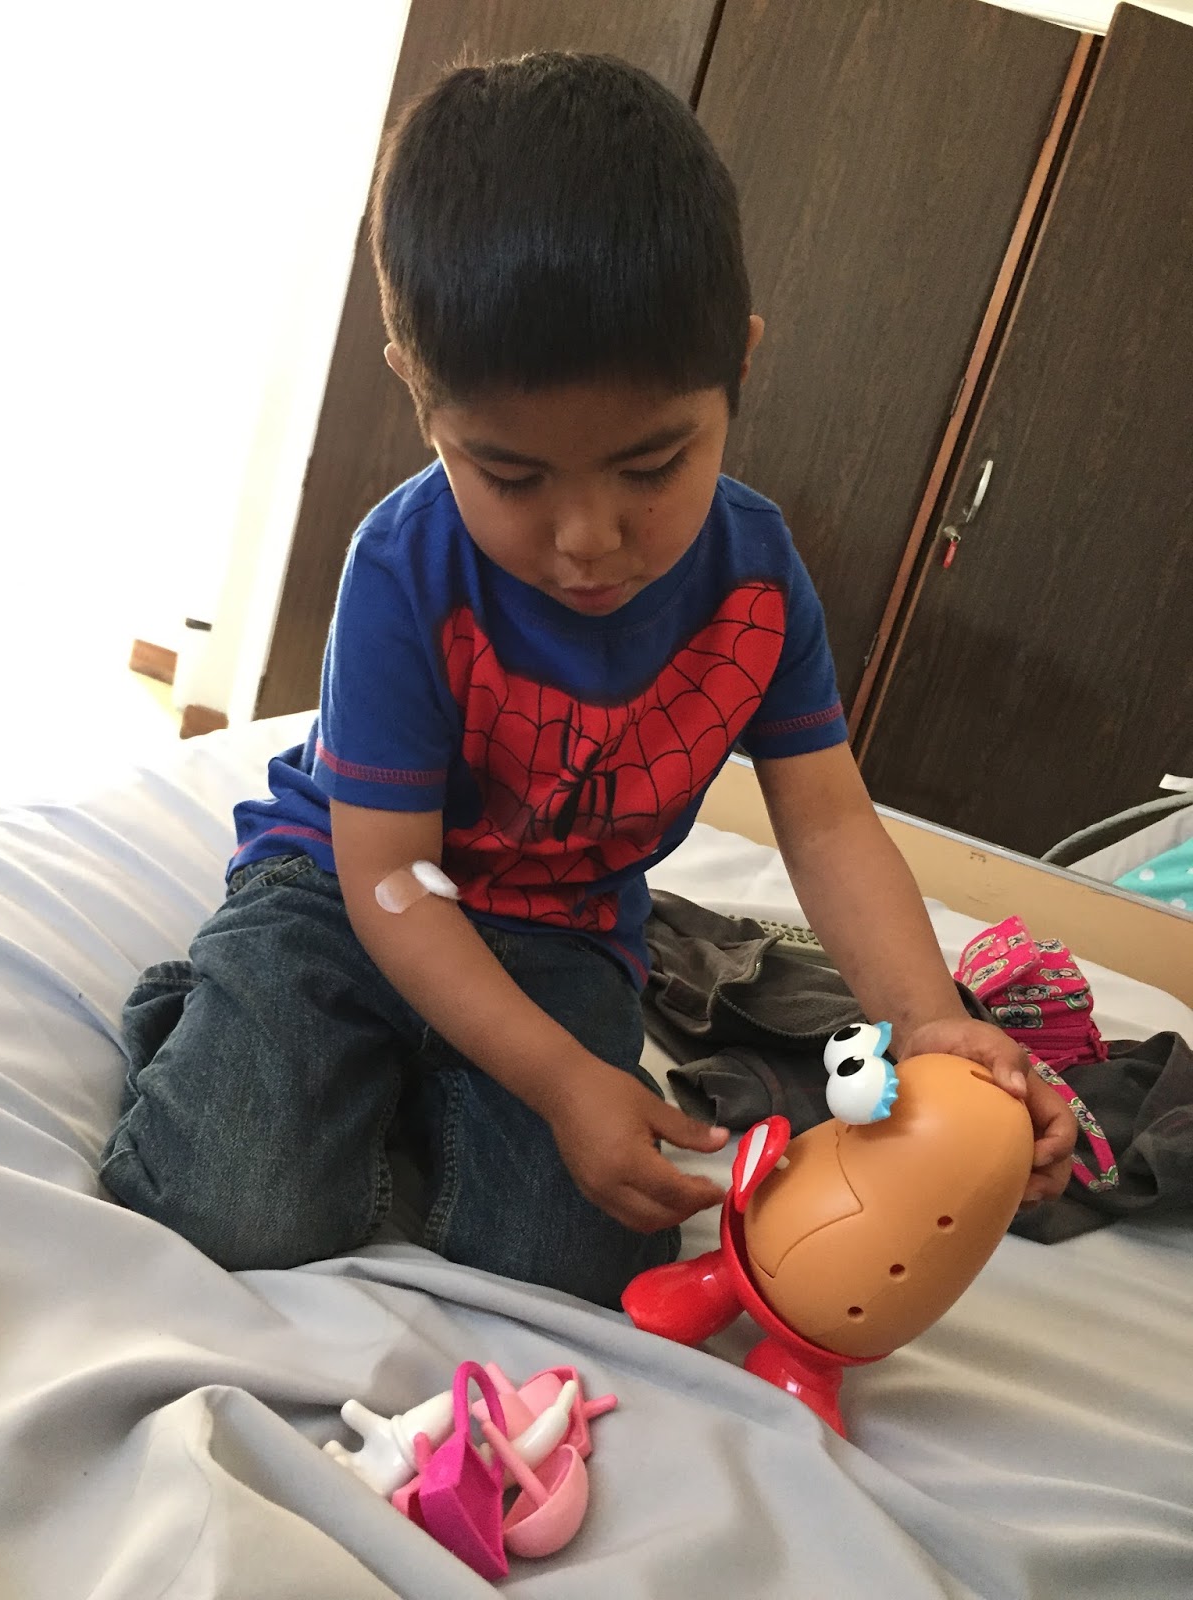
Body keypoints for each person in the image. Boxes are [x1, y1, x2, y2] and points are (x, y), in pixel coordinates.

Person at [99, 53, 1075, 1307]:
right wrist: (560, 1081)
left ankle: (397, 1081)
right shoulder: (404, 565)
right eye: (511, 477)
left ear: (739, 370)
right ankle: (220, 1018)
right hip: (349, 893)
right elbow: (390, 874)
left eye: (651, 466)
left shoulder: (758, 578)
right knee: (234, 1205)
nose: (587, 540)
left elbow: (829, 823)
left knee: (577, 1261)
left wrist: (929, 1020)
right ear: (419, 396)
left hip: (562, 931)